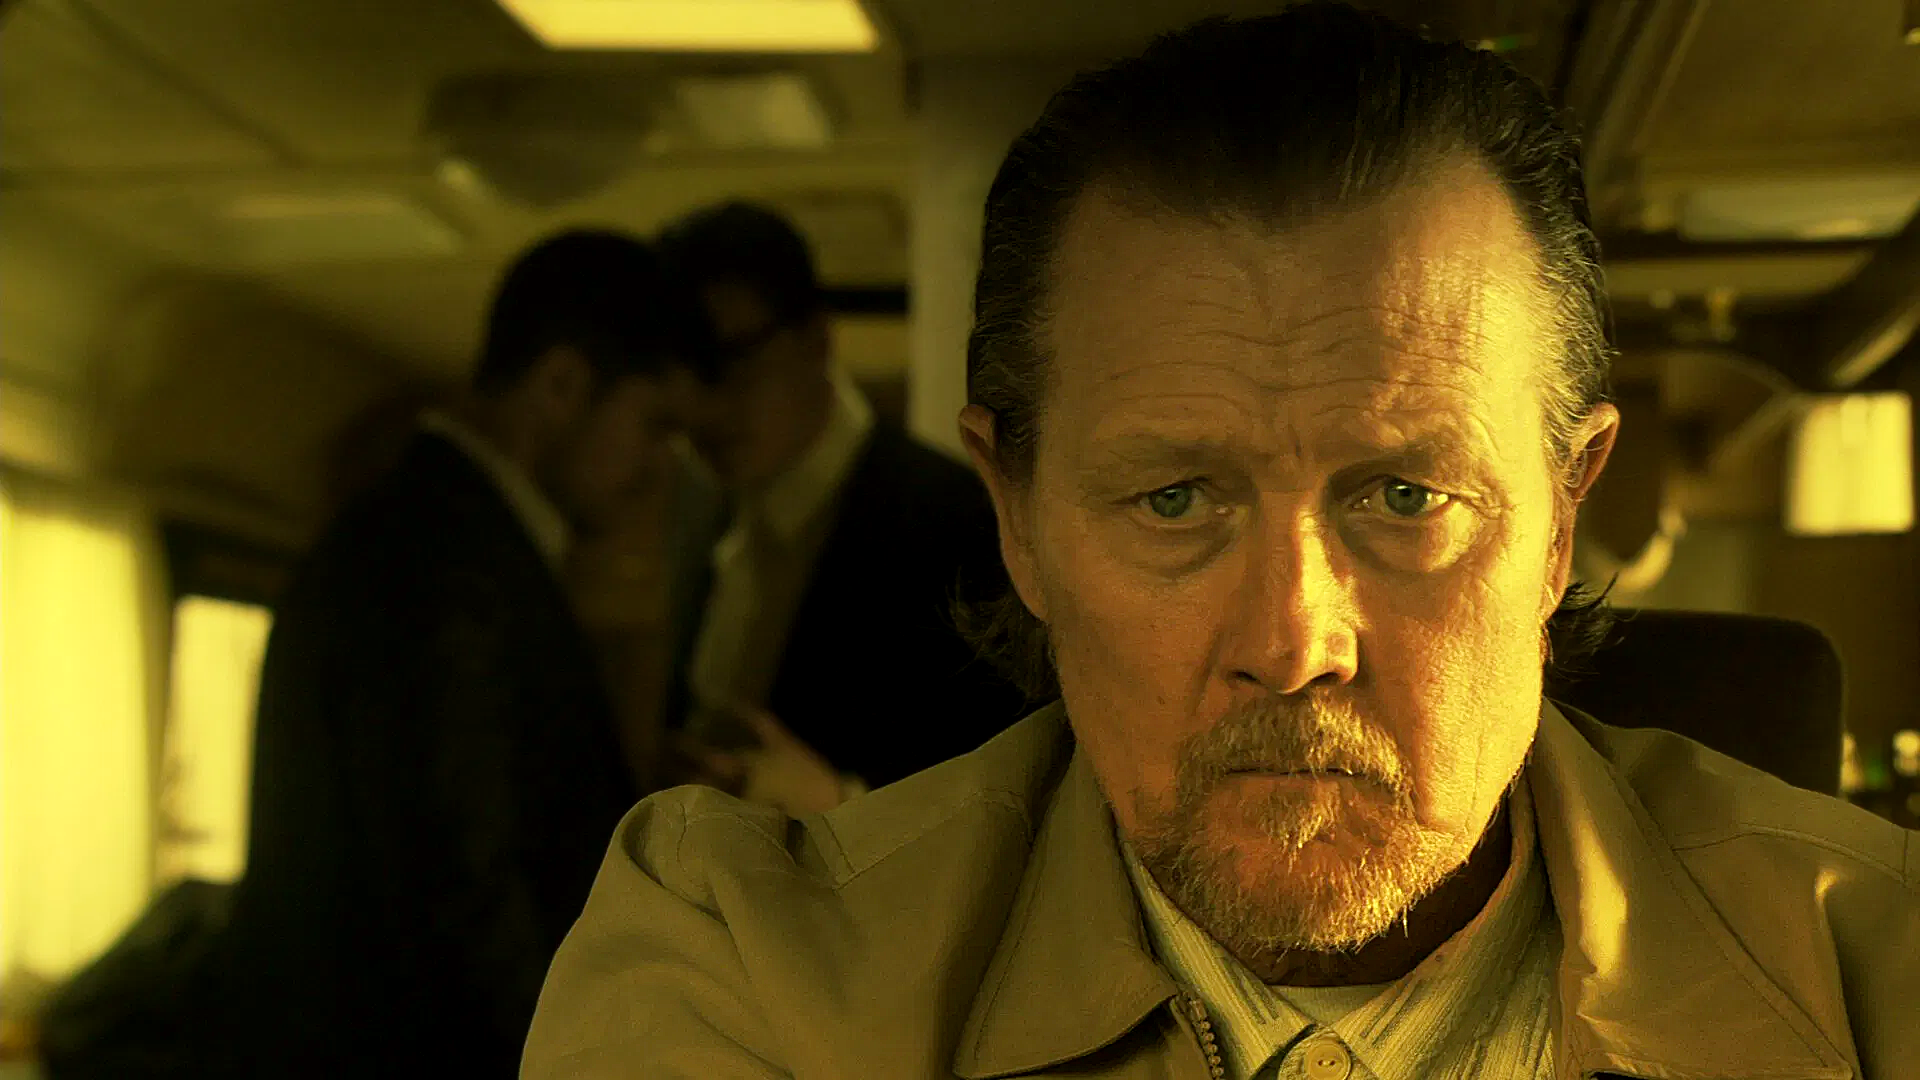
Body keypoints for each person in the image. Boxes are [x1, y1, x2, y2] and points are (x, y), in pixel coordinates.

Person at [523, 8, 1918, 1080]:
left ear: (1561, 517)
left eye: (1406, 497)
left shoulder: (1891, 976)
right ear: (1017, 520)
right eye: (1176, 500)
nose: (1290, 645)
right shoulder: (739, 970)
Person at [202, 230, 710, 1078]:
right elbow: (460, 896)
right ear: (561, 384)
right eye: (655, 426)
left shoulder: (432, 537)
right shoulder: (441, 561)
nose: (663, 469)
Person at [656, 202, 1026, 804]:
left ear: (816, 338)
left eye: (733, 359)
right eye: (686, 373)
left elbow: (1007, 795)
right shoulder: (696, 516)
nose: (707, 405)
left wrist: (836, 800)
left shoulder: (956, 525)